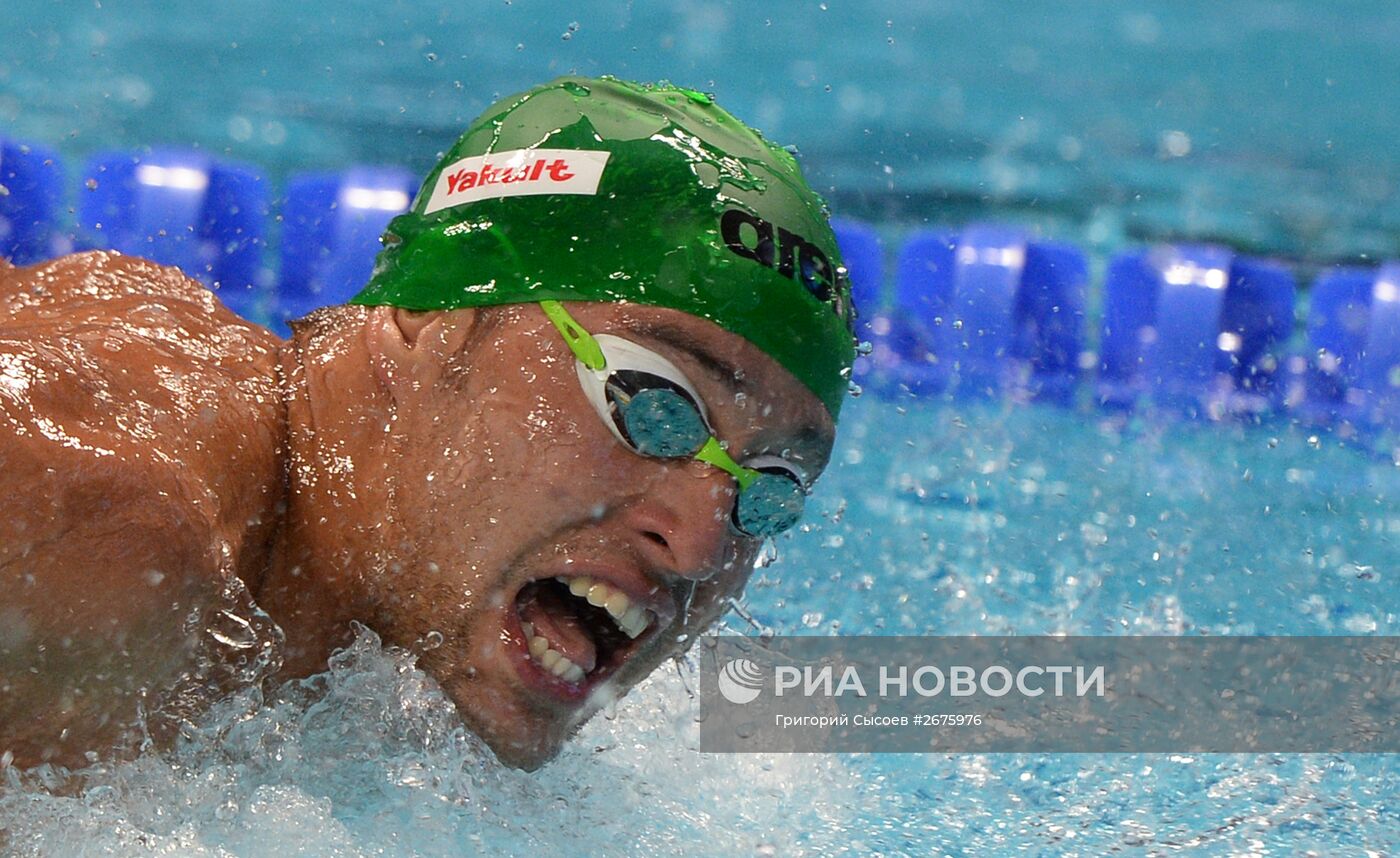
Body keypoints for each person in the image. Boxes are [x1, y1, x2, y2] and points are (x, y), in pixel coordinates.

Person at [0, 75, 856, 772]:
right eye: (655, 408)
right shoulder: (94, 542)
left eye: (769, 487)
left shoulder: (398, 629)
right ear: (424, 321)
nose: (703, 545)